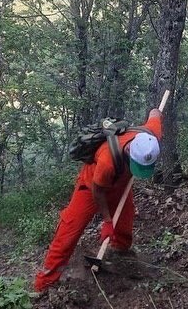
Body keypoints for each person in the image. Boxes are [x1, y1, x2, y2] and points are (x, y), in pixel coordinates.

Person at [34, 107, 163, 292]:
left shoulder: (151, 136)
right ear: (129, 153)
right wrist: (107, 221)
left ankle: (119, 255)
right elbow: (98, 192)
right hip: (91, 187)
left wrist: (155, 112)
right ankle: (44, 283)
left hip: (120, 185)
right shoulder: (108, 160)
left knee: (124, 223)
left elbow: (155, 115)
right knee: (70, 229)